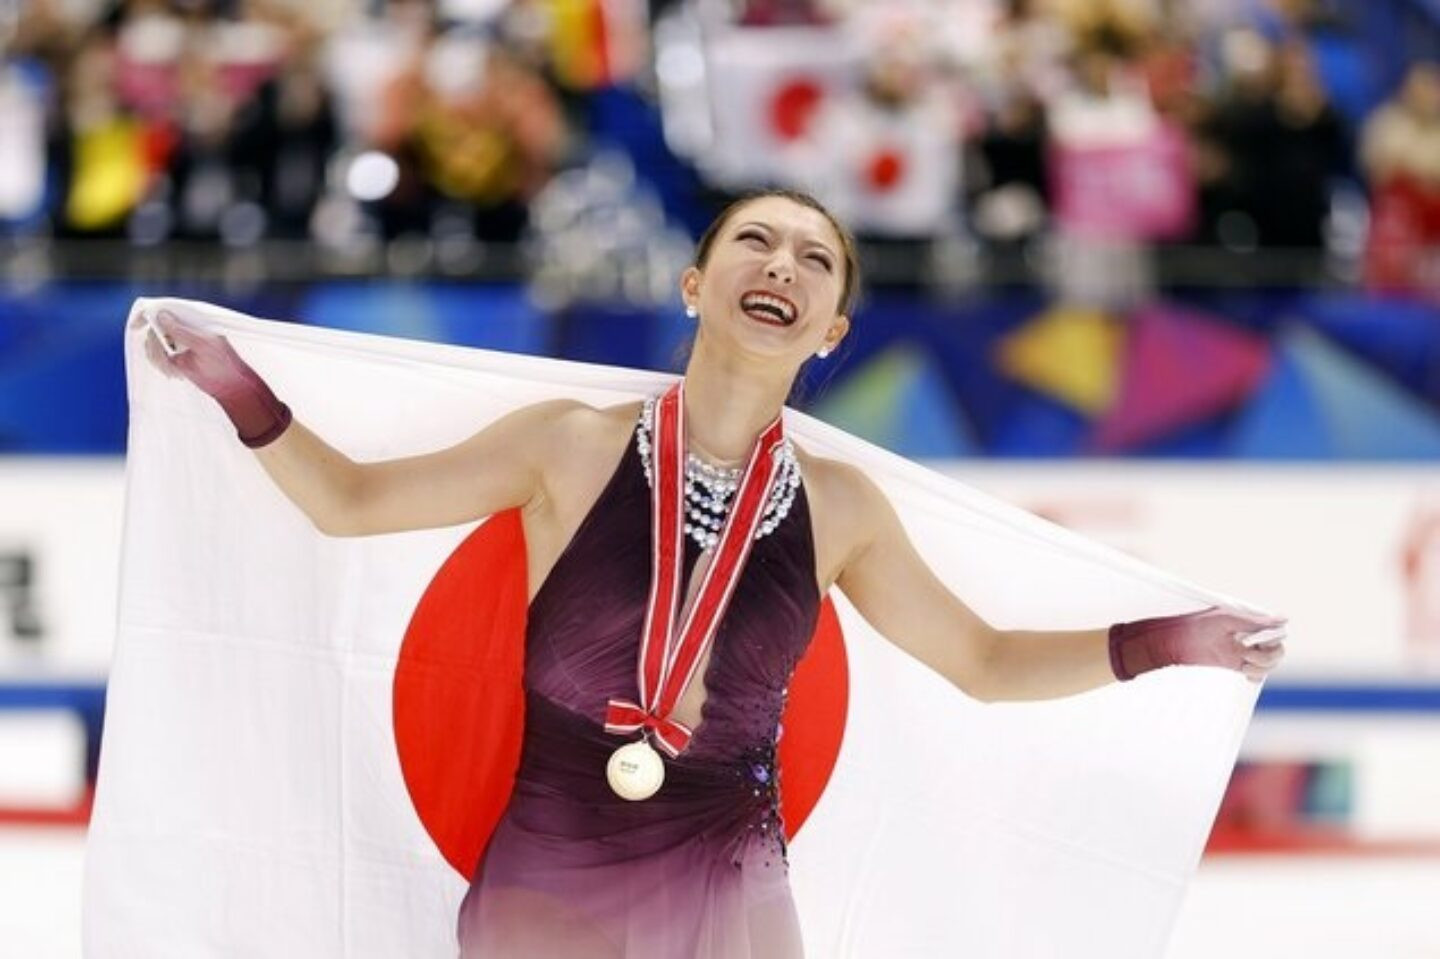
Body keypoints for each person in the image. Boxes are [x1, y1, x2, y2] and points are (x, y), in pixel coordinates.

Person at [136, 188, 1287, 958]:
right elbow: (350, 501)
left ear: (831, 329)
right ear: (696, 284)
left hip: (733, 892)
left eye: (814, 258)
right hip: (551, 882)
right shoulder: (570, 445)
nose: (781, 263)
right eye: (755, 240)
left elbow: (981, 660)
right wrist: (239, 386)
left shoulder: (841, 509)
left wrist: (1172, 639)